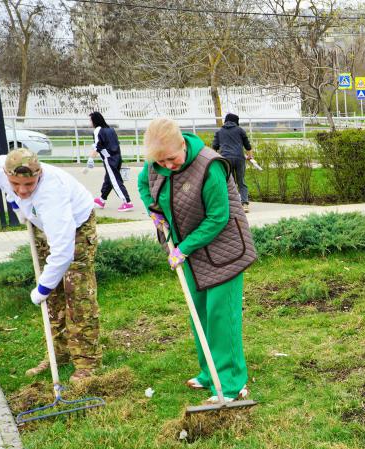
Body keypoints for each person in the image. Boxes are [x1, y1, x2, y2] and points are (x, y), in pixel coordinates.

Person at [138, 118, 256, 403]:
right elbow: (144, 185)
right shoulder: (156, 164)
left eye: (171, 159)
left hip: (223, 251)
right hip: (188, 252)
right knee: (199, 313)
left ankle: (229, 384)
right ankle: (209, 372)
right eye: (160, 161)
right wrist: (154, 211)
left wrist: (184, 248)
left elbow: (219, 216)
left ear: (182, 143)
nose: (166, 166)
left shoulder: (210, 165)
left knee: (221, 317)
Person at [0, 148, 102, 383]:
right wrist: (17, 206)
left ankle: (86, 363)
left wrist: (41, 288)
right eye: (15, 184)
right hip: (42, 224)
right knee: (54, 299)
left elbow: (63, 253)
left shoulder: (52, 193)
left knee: (77, 294)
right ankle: (57, 354)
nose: (22, 190)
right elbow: (7, 189)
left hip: (78, 227)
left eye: (29, 184)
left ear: (39, 174)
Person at [89, 111, 133, 212]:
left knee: (115, 180)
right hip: (117, 156)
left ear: (95, 121)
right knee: (109, 179)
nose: (89, 123)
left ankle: (127, 202)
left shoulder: (97, 130)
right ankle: (102, 199)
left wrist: (91, 159)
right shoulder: (110, 129)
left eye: (90, 120)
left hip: (109, 159)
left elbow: (97, 146)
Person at [212, 113, 253, 213]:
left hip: (226, 159)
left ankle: (232, 205)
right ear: (236, 121)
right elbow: (247, 146)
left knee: (230, 182)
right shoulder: (240, 130)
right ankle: (245, 204)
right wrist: (250, 156)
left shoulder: (219, 131)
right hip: (239, 158)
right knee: (241, 181)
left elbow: (215, 147)